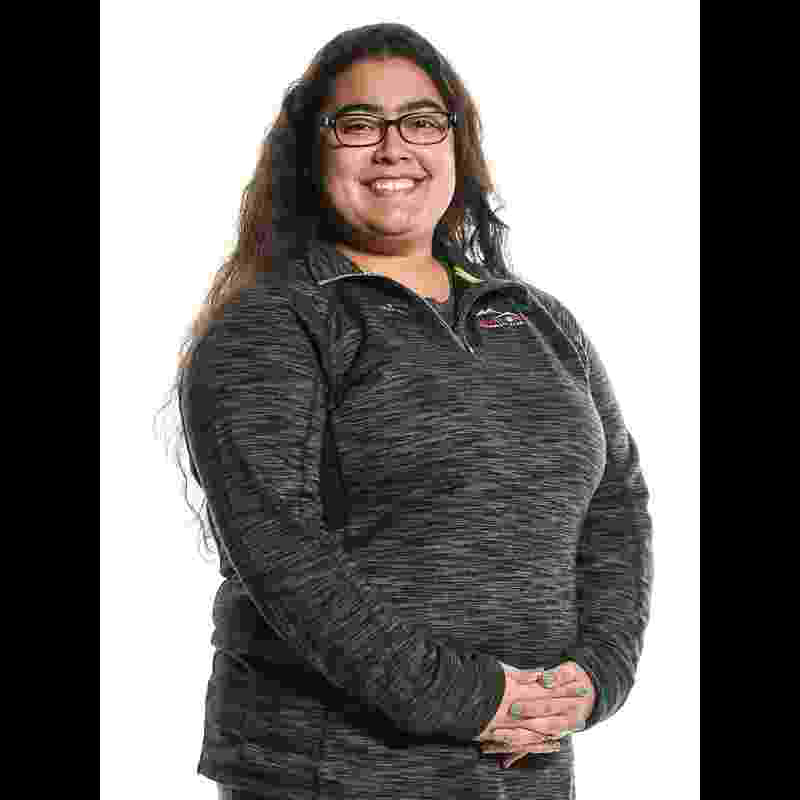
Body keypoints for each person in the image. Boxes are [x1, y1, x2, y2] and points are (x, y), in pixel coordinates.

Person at [175, 22, 653, 800]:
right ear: (312, 153)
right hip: (330, 774)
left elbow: (616, 505)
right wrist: (473, 699)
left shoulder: (538, 320)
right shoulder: (274, 325)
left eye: (422, 122)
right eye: (359, 124)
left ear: (456, 146)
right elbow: (283, 555)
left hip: (525, 771)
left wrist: (595, 676)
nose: (394, 147)